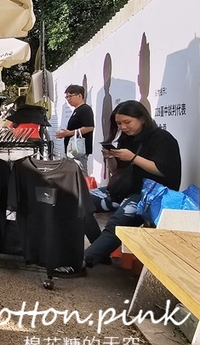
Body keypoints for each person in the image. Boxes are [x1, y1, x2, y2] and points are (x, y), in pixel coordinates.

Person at [58, 100, 181, 275]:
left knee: (117, 222)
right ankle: (100, 252)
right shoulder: (127, 139)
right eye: (119, 123)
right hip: (122, 189)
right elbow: (118, 171)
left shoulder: (163, 138)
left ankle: (83, 261)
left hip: (150, 194)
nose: (123, 127)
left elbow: (164, 171)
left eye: (127, 122)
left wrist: (133, 157)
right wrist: (110, 157)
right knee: (78, 200)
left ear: (142, 119)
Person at [55, 85, 94, 175]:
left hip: (80, 150)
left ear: (79, 96)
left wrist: (69, 133)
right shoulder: (77, 110)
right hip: (72, 150)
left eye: (70, 96)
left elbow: (89, 127)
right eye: (67, 97)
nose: (68, 99)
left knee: (81, 173)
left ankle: (84, 189)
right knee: (73, 174)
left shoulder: (85, 109)